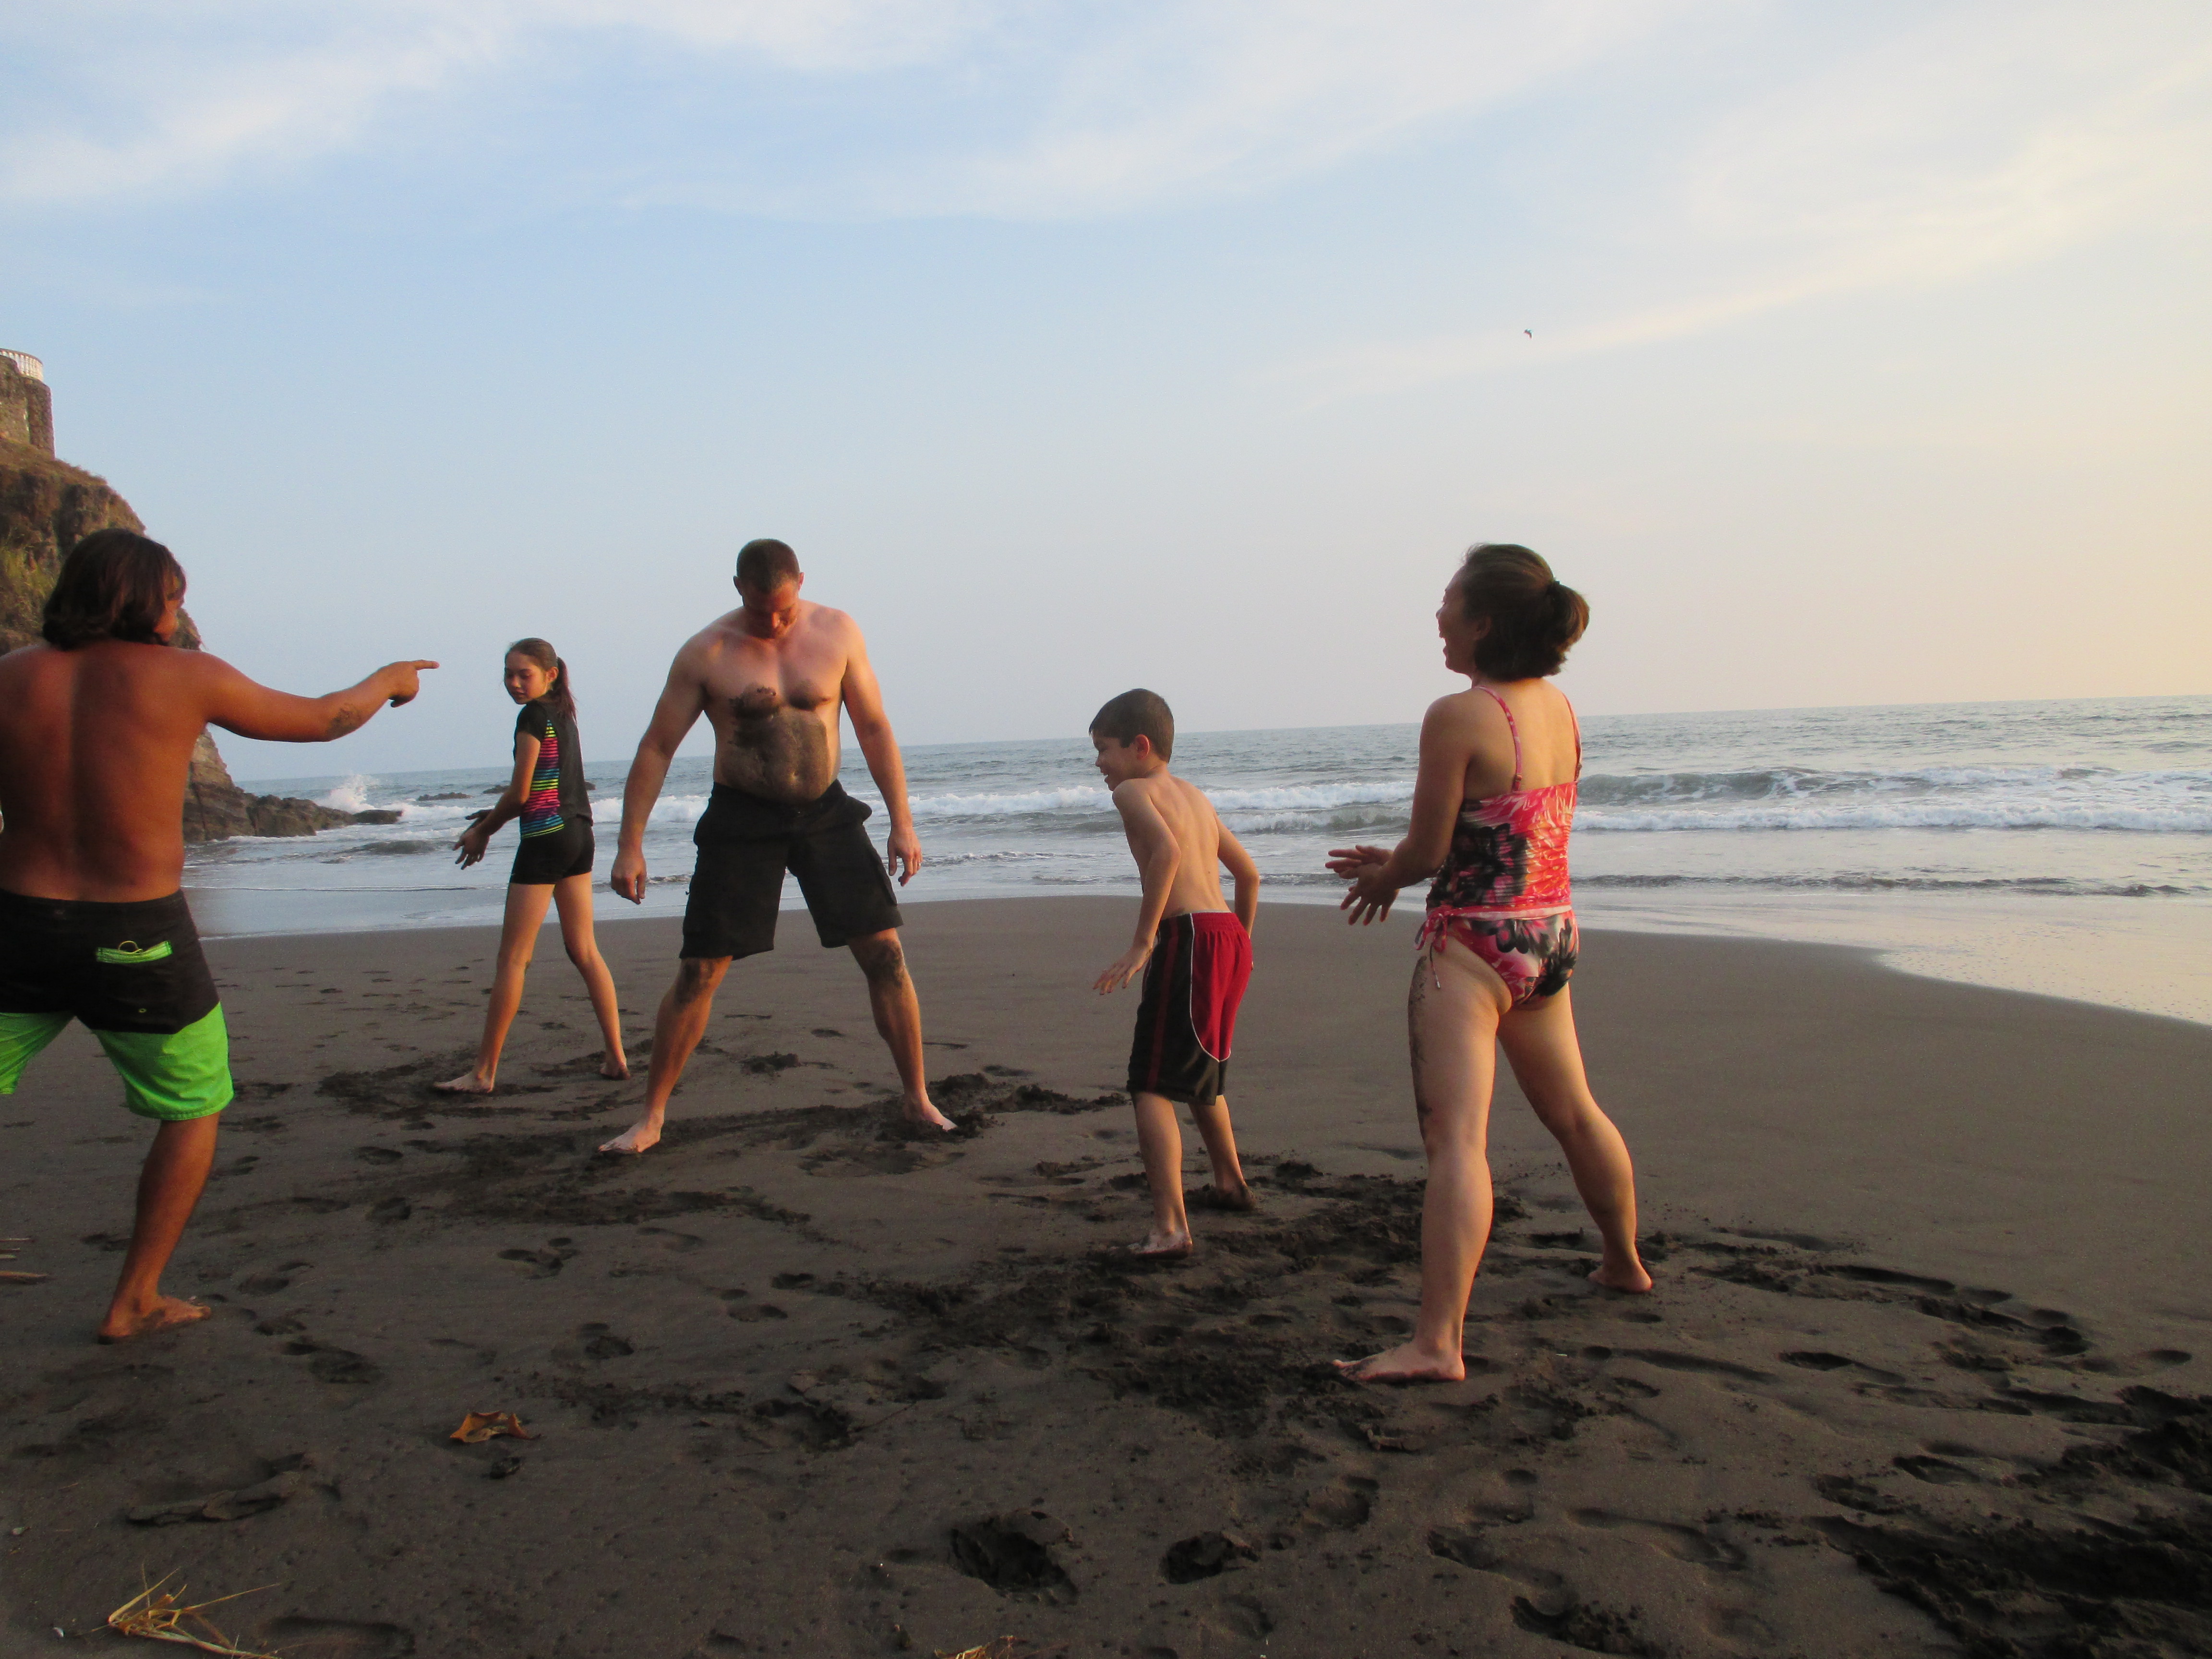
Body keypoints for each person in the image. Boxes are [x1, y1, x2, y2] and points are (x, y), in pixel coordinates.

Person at [0, 529, 435, 1341]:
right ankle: (135, 1297)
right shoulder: (182, 676)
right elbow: (326, 719)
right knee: (194, 1107)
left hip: (17, 924)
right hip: (136, 934)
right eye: (174, 598)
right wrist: (390, 680)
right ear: (141, 601)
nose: (177, 613)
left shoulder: (12, 676)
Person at [1326, 543, 1651, 1383]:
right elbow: (1502, 827)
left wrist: (1385, 876)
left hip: (1472, 948)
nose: (1436, 616)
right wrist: (1400, 865)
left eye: (1447, 601)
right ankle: (1623, 1261)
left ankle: (1437, 1343)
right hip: (1549, 933)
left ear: (1482, 622)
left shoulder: (1457, 715)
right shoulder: (1559, 709)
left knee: (1456, 1143)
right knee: (1575, 1113)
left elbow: (1430, 852)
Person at [600, 538, 952, 1154]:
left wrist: (903, 820)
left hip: (825, 811)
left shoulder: (838, 631)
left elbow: (873, 726)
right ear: (738, 588)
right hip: (742, 816)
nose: (773, 622)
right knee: (700, 969)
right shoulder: (706, 652)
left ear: (801, 584)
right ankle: (651, 1117)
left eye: (784, 609)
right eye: (760, 609)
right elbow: (657, 746)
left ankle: (917, 1098)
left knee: (886, 955)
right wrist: (630, 844)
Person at [1089, 689, 1261, 1258]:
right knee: (1199, 1071)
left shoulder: (1134, 792)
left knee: (1151, 1083)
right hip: (1225, 935)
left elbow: (1166, 854)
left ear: (1140, 746)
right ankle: (1230, 1183)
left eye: (1104, 749)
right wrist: (1242, 943)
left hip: (1189, 938)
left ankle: (1170, 1228)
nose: (1099, 764)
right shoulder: (1195, 796)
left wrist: (1144, 942)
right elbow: (1250, 876)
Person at [435, 639, 626, 1093]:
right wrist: (491, 816)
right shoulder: (564, 716)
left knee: (514, 959)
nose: (515, 683)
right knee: (585, 950)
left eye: (525, 674)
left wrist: (484, 831)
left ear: (550, 674)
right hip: (580, 836)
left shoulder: (533, 717)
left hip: (545, 840)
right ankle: (617, 1057)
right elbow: (545, 787)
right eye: (509, 675)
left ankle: (483, 1073)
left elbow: (521, 794)